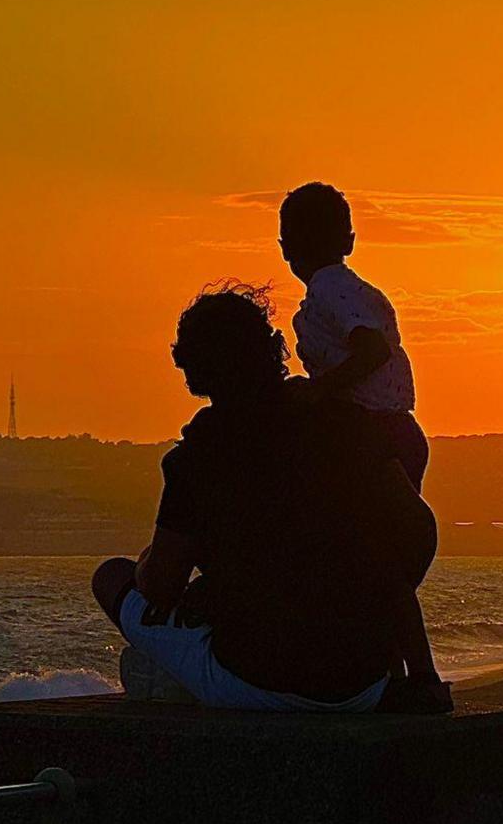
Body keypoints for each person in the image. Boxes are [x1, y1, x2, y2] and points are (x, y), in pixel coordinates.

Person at [90, 283, 447, 712]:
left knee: (111, 577)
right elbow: (416, 531)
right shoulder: (348, 426)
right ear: (270, 350)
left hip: (254, 682)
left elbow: (160, 586)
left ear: (193, 371)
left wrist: (161, 564)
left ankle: (170, 684)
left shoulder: (198, 455)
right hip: (361, 684)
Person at [276, 181, 440, 687]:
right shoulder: (345, 291)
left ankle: (418, 678)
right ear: (349, 240)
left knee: (377, 561)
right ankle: (394, 675)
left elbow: (371, 352)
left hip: (377, 437)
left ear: (286, 249)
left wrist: (317, 391)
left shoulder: (330, 290)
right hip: (392, 432)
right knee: (376, 558)